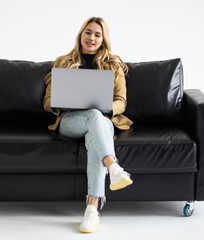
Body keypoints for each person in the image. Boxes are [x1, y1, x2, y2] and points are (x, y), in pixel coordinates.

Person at [43, 17, 133, 233]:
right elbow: (47, 101)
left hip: (103, 121)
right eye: (88, 32)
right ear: (81, 34)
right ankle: (113, 167)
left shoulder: (113, 65)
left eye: (97, 34)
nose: (91, 38)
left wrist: (106, 107)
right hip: (70, 121)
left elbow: (121, 101)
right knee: (93, 116)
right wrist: (60, 101)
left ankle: (91, 211)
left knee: (95, 124)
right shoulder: (63, 62)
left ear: (103, 40)